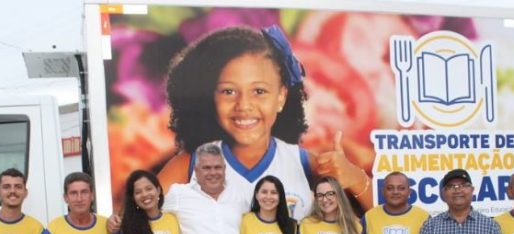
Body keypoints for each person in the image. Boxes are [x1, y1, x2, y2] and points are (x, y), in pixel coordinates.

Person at [159, 25, 373, 216]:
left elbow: (386, 220)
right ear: (211, 97)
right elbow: (140, 217)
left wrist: (355, 178)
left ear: (281, 97)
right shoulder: (190, 165)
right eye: (228, 91)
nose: (244, 105)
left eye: (259, 91)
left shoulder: (305, 164)